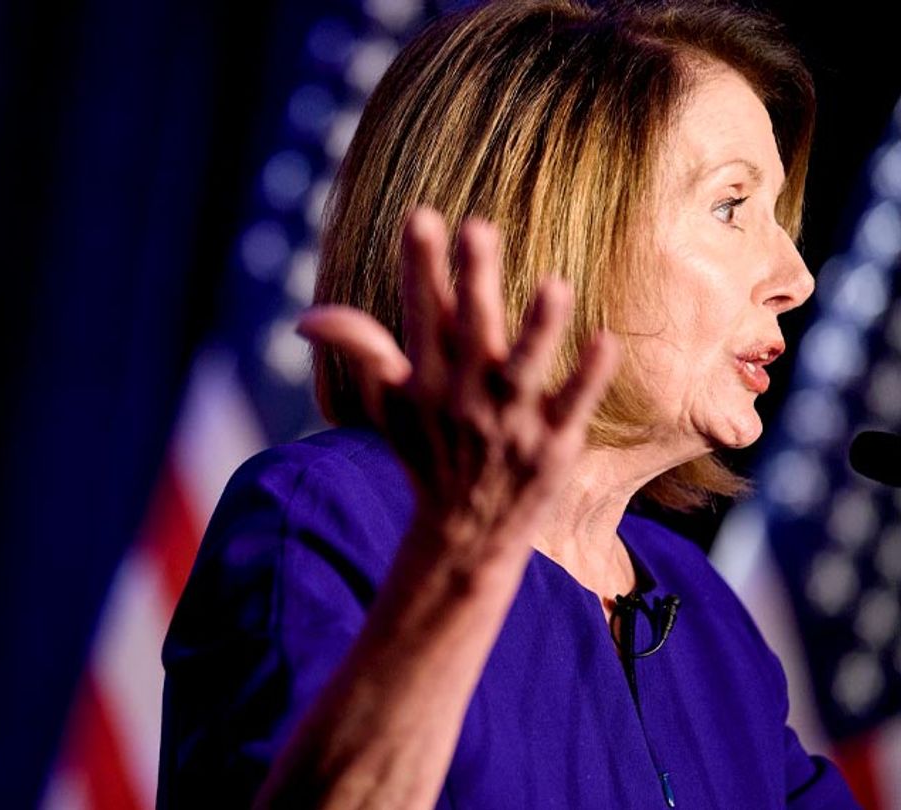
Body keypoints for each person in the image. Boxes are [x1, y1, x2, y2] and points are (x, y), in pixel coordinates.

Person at [157, 1, 861, 807]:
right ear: (559, 230)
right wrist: (463, 562)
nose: (796, 278)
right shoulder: (334, 513)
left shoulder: (700, 610)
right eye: (730, 207)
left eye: (779, 219)